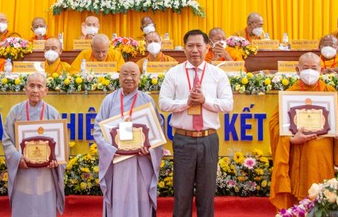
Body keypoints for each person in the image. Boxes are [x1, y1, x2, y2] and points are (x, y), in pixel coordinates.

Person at [159, 29, 234, 217]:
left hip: (209, 139)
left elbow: (228, 105)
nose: (195, 50)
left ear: (207, 47)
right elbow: (163, 103)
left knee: (206, 195)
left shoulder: (217, 74)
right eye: (190, 46)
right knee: (182, 194)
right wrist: (186, 103)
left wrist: (204, 100)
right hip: (183, 140)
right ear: (184, 49)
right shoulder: (173, 73)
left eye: (199, 46)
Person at [269, 53, 338, 210]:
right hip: (299, 153)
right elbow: (275, 124)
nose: (310, 72)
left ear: (321, 70)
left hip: (323, 154)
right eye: (305, 68)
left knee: (324, 195)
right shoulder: (290, 94)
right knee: (299, 201)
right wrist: (291, 139)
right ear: (297, 70)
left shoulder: (329, 93)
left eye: (314, 68)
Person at [93, 62, 164, 216]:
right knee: (119, 201)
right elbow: (98, 130)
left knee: (140, 200)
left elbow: (158, 129)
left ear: (140, 78)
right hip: (117, 162)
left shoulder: (147, 100)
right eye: (125, 74)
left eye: (133, 74)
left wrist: (150, 149)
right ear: (119, 76)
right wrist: (110, 149)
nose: (129, 78)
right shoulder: (109, 100)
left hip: (141, 162)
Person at [2, 73, 65, 216]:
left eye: (39, 86)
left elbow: (60, 144)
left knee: (44, 208)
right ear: (25, 89)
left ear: (45, 90)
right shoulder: (15, 112)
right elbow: (7, 140)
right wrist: (17, 158)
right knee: (24, 208)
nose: (35, 90)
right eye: (31, 86)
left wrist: (56, 160)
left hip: (45, 174)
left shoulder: (53, 113)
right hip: (24, 171)